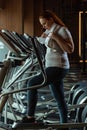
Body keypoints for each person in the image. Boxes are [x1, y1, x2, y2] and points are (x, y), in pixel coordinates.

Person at [21, 10, 74, 128]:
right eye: (42, 25)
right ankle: (64, 126)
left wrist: (56, 37)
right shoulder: (49, 31)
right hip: (52, 67)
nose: (43, 26)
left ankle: (30, 117)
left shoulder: (62, 30)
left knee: (32, 83)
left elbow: (70, 49)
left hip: (58, 67)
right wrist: (42, 38)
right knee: (60, 99)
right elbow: (47, 44)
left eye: (45, 23)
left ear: (51, 19)